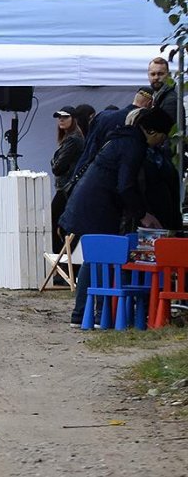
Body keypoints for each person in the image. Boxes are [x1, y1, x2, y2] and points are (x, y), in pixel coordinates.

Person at [60, 106, 174, 325]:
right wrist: (142, 214)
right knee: (102, 258)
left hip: (87, 202)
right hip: (98, 206)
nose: (162, 141)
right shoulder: (134, 146)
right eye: (162, 136)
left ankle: (82, 314)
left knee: (92, 259)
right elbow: (125, 185)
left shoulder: (122, 138)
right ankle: (99, 315)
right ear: (152, 131)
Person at [49, 105, 86, 253]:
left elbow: (57, 167)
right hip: (67, 187)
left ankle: (61, 260)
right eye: (59, 117)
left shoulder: (73, 139)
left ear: (74, 119)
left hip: (67, 188)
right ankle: (63, 260)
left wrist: (53, 161)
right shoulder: (70, 138)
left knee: (57, 223)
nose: (61, 120)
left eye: (65, 117)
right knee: (60, 223)